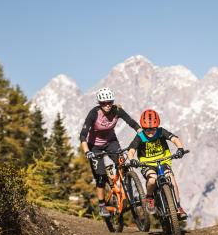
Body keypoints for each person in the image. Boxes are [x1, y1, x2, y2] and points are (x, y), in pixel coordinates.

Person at [79, 88, 140, 217]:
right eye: (103, 103)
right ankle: (102, 205)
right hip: (94, 147)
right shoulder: (94, 113)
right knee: (100, 177)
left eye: (109, 102)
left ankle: (127, 191)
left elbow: (131, 122)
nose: (107, 105)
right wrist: (87, 151)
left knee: (122, 163)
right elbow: (83, 135)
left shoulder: (116, 110)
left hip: (111, 142)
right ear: (99, 103)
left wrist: (142, 134)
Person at [126, 109, 187, 218]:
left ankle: (178, 207)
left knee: (172, 179)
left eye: (153, 129)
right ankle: (149, 197)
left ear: (157, 126)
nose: (150, 131)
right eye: (146, 129)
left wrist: (180, 148)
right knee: (152, 179)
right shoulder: (140, 136)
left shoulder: (161, 132)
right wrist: (132, 160)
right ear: (143, 128)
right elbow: (131, 150)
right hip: (147, 163)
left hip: (163, 161)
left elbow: (175, 139)